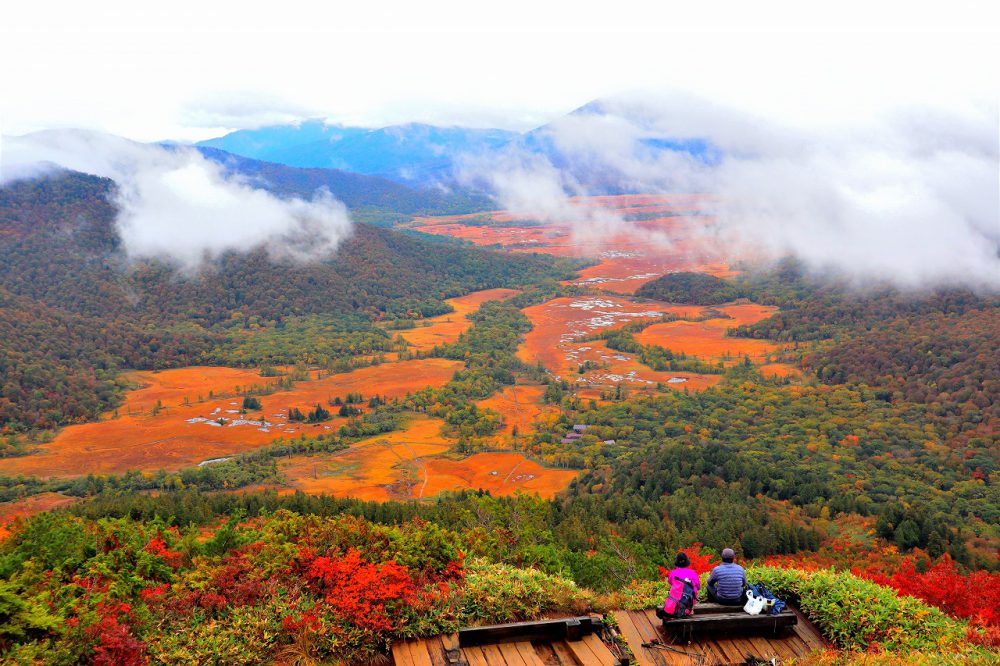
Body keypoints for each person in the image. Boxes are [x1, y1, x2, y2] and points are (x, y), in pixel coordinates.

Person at [657, 552, 700, 618]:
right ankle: (686, 610)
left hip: (677, 600)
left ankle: (674, 609)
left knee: (675, 591)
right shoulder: (693, 573)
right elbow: (698, 587)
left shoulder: (673, 573)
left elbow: (670, 582)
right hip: (690, 601)